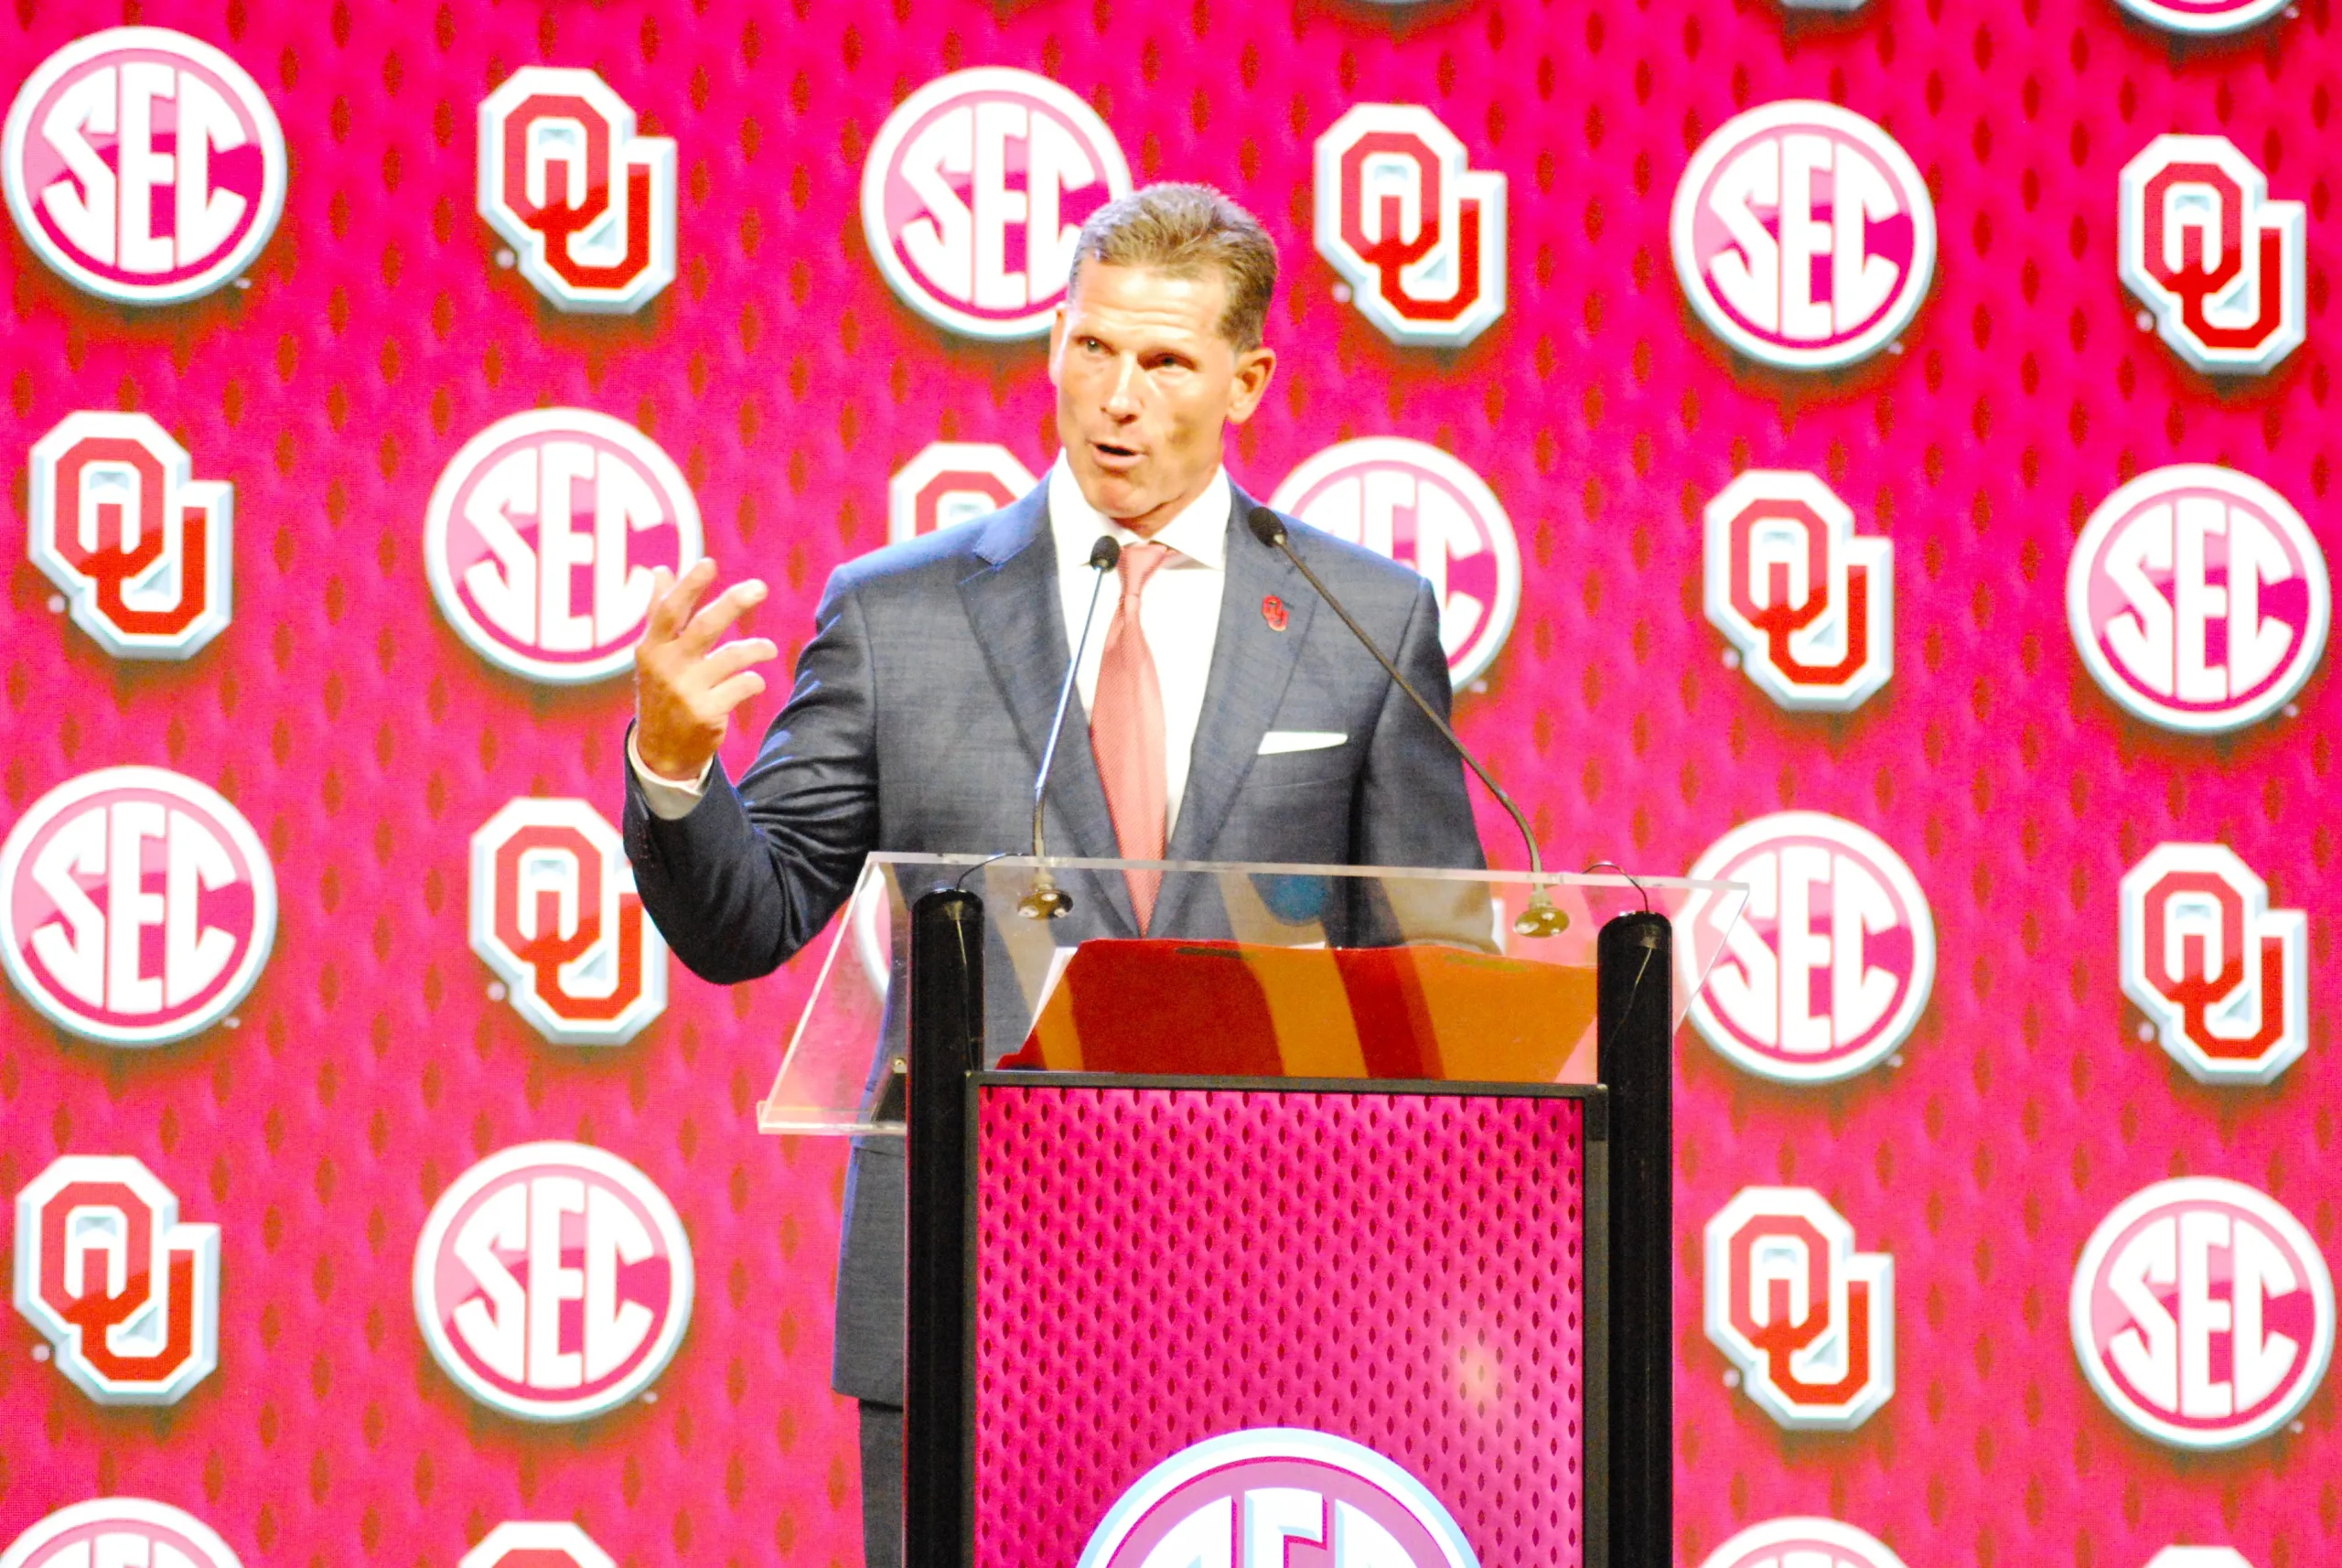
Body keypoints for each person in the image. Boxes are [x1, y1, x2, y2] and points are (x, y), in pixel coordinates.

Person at [619, 183, 1484, 1566]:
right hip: (965, 1295)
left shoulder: (1360, 619)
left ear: (1248, 379)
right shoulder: (897, 614)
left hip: (1277, 1303)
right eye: (1090, 349)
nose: (1116, 399)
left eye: (1164, 363)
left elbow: (1444, 986)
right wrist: (673, 769)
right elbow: (749, 916)